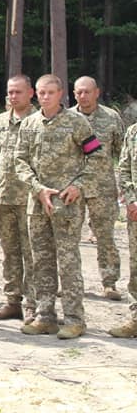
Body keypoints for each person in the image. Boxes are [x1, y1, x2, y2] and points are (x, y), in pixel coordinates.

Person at [15, 74, 94, 339]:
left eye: (50, 92)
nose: (45, 97)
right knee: (41, 262)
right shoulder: (28, 124)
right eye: (41, 92)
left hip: (67, 206)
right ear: (35, 94)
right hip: (38, 206)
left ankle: (74, 319)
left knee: (68, 262)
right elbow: (19, 162)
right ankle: (45, 315)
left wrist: (78, 186)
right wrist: (38, 189)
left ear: (61, 94)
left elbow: (97, 157)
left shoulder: (77, 122)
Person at [0, 74, 37, 324]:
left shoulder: (40, 122)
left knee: (33, 253)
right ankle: (13, 302)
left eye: (18, 92)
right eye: (10, 92)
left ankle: (34, 306)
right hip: (4, 198)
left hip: (32, 200)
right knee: (9, 252)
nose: (13, 96)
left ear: (31, 93)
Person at [70, 76, 124, 300]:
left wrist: (123, 184)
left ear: (97, 92)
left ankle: (109, 282)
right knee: (68, 237)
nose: (83, 96)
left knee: (105, 236)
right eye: (79, 92)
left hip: (102, 187)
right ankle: (71, 283)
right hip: (73, 188)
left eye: (87, 92)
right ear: (74, 94)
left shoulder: (111, 118)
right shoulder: (67, 118)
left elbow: (122, 153)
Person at [110, 121, 137, 338]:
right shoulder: (133, 131)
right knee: (136, 266)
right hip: (136, 211)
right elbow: (124, 168)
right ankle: (136, 320)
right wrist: (131, 200)